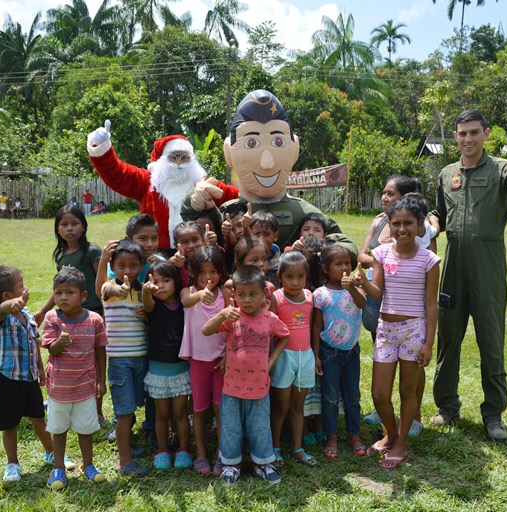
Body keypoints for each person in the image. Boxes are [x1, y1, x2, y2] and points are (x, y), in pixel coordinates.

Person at [430, 110, 507, 442]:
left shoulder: (502, 170)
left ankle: (493, 414)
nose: (468, 139)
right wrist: (432, 223)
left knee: (491, 342)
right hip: (453, 266)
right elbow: (440, 213)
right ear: (455, 137)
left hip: (488, 266)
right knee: (448, 338)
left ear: (486, 133)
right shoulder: (446, 174)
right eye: (462, 133)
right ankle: (447, 407)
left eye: (474, 133)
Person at [183, 89, 357, 261]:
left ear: (294, 148)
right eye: (251, 143)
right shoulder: (230, 212)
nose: (267, 164)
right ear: (229, 152)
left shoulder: (303, 212)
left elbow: (345, 246)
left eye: (278, 141)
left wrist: (313, 245)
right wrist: (193, 203)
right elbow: (184, 233)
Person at [358, 194, 441, 469]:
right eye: (396, 224)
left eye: (408, 223)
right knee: (379, 393)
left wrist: (429, 343)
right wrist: (357, 284)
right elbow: (377, 292)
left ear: (420, 226)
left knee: (408, 390)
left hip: (414, 331)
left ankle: (401, 442)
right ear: (389, 226)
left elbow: (431, 303)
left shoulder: (429, 260)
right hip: (386, 330)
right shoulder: (380, 254)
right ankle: (391, 434)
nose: (402, 229)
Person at [202, 265, 290, 487]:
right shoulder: (232, 316)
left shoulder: (270, 318)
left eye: (253, 294)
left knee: (260, 427)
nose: (247, 300)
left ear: (263, 294)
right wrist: (222, 313)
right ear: (234, 295)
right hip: (232, 388)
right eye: (242, 295)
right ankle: (231, 465)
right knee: (231, 428)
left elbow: (285, 336)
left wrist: (271, 361)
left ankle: (262, 463)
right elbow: (206, 330)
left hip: (260, 387)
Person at [87, 127, 238, 250]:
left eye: (184, 157)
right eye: (173, 157)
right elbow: (117, 174)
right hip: (155, 254)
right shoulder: (147, 182)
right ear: (162, 160)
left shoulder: (203, 184)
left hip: (195, 252)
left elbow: (236, 197)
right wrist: (101, 149)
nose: (179, 162)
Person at [35, 205, 106, 427]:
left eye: (74, 223)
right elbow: (60, 287)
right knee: (72, 359)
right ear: (57, 229)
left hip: (92, 314)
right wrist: (43, 311)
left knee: (93, 361)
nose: (69, 229)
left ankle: (97, 410)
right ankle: (69, 399)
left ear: (84, 226)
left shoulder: (92, 251)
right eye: (64, 225)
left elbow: (102, 280)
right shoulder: (61, 254)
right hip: (67, 316)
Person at [0, 265, 56, 483]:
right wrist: (8, 305)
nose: (25, 288)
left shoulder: (27, 316)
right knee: (10, 424)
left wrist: (40, 370)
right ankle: (12, 463)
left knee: (39, 419)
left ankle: (52, 453)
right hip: (9, 379)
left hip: (30, 378)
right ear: (7, 295)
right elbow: (2, 310)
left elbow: (34, 344)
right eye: (21, 285)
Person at [41, 268, 108, 489]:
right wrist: (60, 341)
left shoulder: (95, 320)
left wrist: (101, 379)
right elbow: (52, 351)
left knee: (86, 428)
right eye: (58, 293)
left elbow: (100, 351)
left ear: (84, 296)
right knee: (58, 429)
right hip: (59, 388)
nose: (63, 297)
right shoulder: (52, 318)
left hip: (85, 387)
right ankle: (58, 468)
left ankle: (87, 465)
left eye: (69, 292)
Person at [179, 245, 231, 475]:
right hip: (198, 361)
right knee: (199, 409)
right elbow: (186, 302)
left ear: (221, 272)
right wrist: (200, 294)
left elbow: (232, 327)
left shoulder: (226, 295)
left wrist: (229, 354)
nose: (208, 278)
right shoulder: (188, 292)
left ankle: (221, 453)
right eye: (203, 273)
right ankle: (200, 453)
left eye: (213, 272)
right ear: (193, 273)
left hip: (221, 361)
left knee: (221, 409)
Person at [311, 245, 366, 459]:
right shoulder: (320, 294)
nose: (345, 268)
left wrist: (351, 287)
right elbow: (316, 327)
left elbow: (362, 302)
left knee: (353, 395)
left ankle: (355, 434)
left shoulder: (356, 287)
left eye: (348, 263)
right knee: (331, 396)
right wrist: (316, 355)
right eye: (338, 264)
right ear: (325, 268)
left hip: (352, 351)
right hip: (329, 352)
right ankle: (331, 436)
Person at [100, 240, 150, 476]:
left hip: (141, 356)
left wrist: (145, 317)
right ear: (113, 266)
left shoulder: (143, 291)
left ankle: (126, 444)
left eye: (133, 265)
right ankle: (124, 460)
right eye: (121, 266)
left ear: (142, 265)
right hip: (119, 360)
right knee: (125, 410)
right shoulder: (109, 289)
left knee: (134, 406)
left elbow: (151, 322)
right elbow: (105, 288)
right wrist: (118, 288)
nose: (127, 271)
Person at [142, 261, 192, 470]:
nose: (160, 286)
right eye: (155, 281)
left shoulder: (184, 305)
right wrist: (146, 291)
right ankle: (162, 449)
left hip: (180, 369)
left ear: (176, 282)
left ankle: (184, 449)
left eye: (166, 281)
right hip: (158, 371)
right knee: (161, 415)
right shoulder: (153, 306)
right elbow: (146, 302)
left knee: (180, 414)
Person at [269, 251, 316, 468]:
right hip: (284, 357)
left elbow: (313, 326)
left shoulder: (309, 297)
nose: (295, 282)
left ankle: (297, 448)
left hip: (305, 356)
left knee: (299, 406)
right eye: (290, 277)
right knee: (281, 406)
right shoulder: (276, 298)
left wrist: (315, 356)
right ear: (280, 276)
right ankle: (275, 447)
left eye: (300, 276)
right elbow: (270, 330)